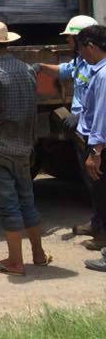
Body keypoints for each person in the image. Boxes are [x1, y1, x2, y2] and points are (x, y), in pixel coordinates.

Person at [0, 19, 50, 275]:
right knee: (27, 199)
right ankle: (38, 254)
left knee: (7, 204)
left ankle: (15, 262)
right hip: (23, 146)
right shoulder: (26, 70)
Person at [34, 15, 101, 247]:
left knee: (99, 183)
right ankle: (97, 223)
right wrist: (41, 67)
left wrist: (80, 117)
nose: (69, 43)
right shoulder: (82, 61)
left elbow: (99, 103)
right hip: (83, 130)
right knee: (90, 182)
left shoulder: (98, 68)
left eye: (71, 38)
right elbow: (63, 71)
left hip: (93, 130)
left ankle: (102, 232)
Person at [73, 25, 106, 272]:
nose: (81, 55)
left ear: (91, 47)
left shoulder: (103, 76)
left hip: (101, 147)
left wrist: (95, 152)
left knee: (103, 196)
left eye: (82, 49)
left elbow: (102, 117)